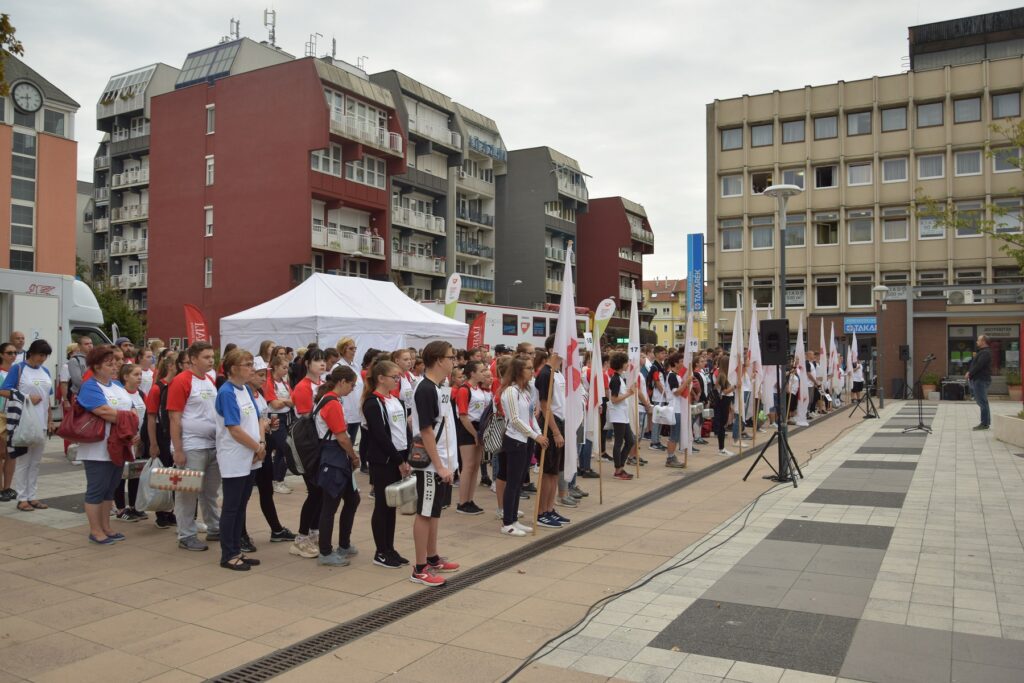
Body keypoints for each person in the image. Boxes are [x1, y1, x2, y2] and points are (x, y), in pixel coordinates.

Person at [409, 341, 461, 586]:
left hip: (443, 461)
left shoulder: (439, 386)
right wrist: (439, 465)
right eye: (452, 357)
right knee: (425, 512)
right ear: (439, 359)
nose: (455, 361)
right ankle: (420, 568)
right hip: (431, 463)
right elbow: (426, 430)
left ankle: (432, 557)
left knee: (435, 512)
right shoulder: (425, 389)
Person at [74, 344, 136, 544]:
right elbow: (104, 412)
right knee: (96, 489)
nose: (115, 366)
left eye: (116, 362)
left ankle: (106, 527)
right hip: (97, 448)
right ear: (97, 366)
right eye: (110, 364)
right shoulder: (90, 386)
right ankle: (95, 530)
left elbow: (132, 409)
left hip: (118, 445)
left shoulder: (117, 385)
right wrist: (129, 420)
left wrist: (131, 427)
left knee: (110, 488)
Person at [214, 349, 265, 571]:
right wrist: (256, 446)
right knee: (232, 507)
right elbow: (234, 429)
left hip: (251, 454)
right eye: (247, 364)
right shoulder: (227, 392)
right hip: (235, 456)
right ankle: (228, 554)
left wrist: (261, 444)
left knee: (242, 504)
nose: (252, 368)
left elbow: (257, 419)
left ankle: (237, 548)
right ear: (234, 368)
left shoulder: (244, 389)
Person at [167, 341, 221, 551]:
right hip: (192, 446)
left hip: (212, 444)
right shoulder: (182, 381)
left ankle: (214, 527)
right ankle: (186, 534)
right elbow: (174, 418)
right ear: (193, 359)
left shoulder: (208, 379)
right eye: (206, 357)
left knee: (210, 491)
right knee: (187, 492)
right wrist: (178, 449)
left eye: (212, 357)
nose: (211, 361)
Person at [363, 360, 412, 568]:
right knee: (382, 506)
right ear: (381, 378)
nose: (397, 380)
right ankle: (380, 551)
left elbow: (403, 430)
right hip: (383, 460)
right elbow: (381, 436)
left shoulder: (395, 400)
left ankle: (390, 548)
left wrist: (407, 456)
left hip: (398, 456)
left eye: (399, 377)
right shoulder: (373, 402)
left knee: (392, 506)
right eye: (394, 376)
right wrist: (398, 459)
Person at [243, 358, 295, 549]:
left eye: (265, 375)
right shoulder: (244, 394)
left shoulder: (259, 393)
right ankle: (241, 534)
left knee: (266, 490)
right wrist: (261, 436)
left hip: (263, 448)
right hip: (252, 449)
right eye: (260, 375)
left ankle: (276, 529)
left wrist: (268, 426)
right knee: (244, 495)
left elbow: (261, 419)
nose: (264, 378)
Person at [0, 339, 57, 511]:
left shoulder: (45, 371)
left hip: (41, 423)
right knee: (23, 461)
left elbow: (48, 398)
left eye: (46, 355)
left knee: (36, 462)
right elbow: (3, 390)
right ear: (31, 353)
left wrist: (50, 419)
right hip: (23, 422)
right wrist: (26, 397)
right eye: (41, 354)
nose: (43, 358)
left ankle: (32, 496)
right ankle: (22, 497)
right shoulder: (18, 369)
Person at [314, 365, 361, 566]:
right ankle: (325, 552)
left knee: (352, 499)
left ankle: (344, 544)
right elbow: (341, 436)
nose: (352, 389)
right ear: (342, 382)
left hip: (335, 456)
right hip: (334, 457)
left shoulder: (330, 400)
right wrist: (354, 455)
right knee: (330, 505)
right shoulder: (332, 402)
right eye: (351, 384)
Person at [499, 357, 547, 536]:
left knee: (519, 482)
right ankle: (507, 523)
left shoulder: (526, 391)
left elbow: (530, 415)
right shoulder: (511, 391)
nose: (531, 371)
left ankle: (514, 519)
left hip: (526, 440)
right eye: (527, 368)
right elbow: (515, 419)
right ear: (519, 371)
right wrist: (535, 435)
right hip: (515, 440)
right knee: (512, 483)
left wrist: (539, 433)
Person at [291, 348, 327, 558]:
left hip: (322, 442)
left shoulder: (322, 384)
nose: (321, 364)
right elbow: (307, 418)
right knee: (314, 491)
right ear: (307, 363)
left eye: (323, 360)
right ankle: (301, 537)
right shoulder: (303, 387)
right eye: (317, 361)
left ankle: (314, 531)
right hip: (309, 444)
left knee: (320, 491)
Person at [146, 352, 178, 529]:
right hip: (161, 432)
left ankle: (171, 509)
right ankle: (161, 512)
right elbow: (151, 417)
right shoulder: (158, 388)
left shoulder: (178, 385)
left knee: (174, 474)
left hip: (174, 431)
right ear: (171, 366)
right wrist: (153, 443)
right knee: (163, 472)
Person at [113, 363, 148, 521]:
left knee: (136, 473)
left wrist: (142, 435)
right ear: (125, 377)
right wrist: (128, 435)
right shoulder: (120, 393)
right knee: (121, 475)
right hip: (124, 440)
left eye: (140, 374)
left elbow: (146, 416)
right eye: (136, 374)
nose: (139, 377)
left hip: (138, 440)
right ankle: (120, 508)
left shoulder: (141, 393)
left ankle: (134, 506)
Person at [454, 360, 488, 515]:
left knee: (475, 467)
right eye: (481, 370)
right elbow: (463, 416)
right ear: (472, 373)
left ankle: (470, 499)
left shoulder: (479, 389)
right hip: (468, 429)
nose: (484, 372)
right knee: (468, 466)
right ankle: (462, 502)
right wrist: (475, 434)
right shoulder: (464, 389)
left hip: (479, 428)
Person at [264, 355, 295, 494]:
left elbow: (293, 401)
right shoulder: (269, 382)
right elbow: (275, 404)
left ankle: (277, 479)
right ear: (275, 367)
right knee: (284, 447)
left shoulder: (285, 382)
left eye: (287, 367)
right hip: (275, 417)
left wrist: (285, 400)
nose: (286, 370)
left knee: (282, 449)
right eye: (283, 367)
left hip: (287, 417)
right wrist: (285, 400)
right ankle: (277, 480)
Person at [607, 352, 635, 480]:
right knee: (619, 442)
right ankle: (618, 469)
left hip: (623, 415)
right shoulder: (615, 379)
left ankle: (621, 466)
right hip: (618, 416)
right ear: (621, 364)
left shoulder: (619, 378)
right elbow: (614, 399)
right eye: (626, 362)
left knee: (630, 441)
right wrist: (628, 394)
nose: (627, 364)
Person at [966, 334, 993, 431]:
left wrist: (970, 373)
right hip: (978, 379)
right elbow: (976, 365)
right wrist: (970, 372)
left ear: (983, 342)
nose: (977, 342)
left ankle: (984, 423)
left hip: (981, 380)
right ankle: (985, 422)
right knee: (982, 401)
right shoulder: (982, 352)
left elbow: (979, 365)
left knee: (982, 402)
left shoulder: (985, 353)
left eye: (978, 340)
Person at [0, 343, 16, 501]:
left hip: (14, 415)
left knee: (12, 454)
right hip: (1, 415)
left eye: (15, 353)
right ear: (2, 354)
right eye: (9, 353)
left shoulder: (17, 371)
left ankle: (7, 487)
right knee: (1, 453)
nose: (13, 355)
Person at [713, 356, 737, 456]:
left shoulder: (725, 374)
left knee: (724, 423)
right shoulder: (722, 375)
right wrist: (735, 387)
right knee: (722, 425)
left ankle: (722, 448)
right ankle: (721, 448)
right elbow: (724, 391)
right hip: (723, 401)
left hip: (726, 401)